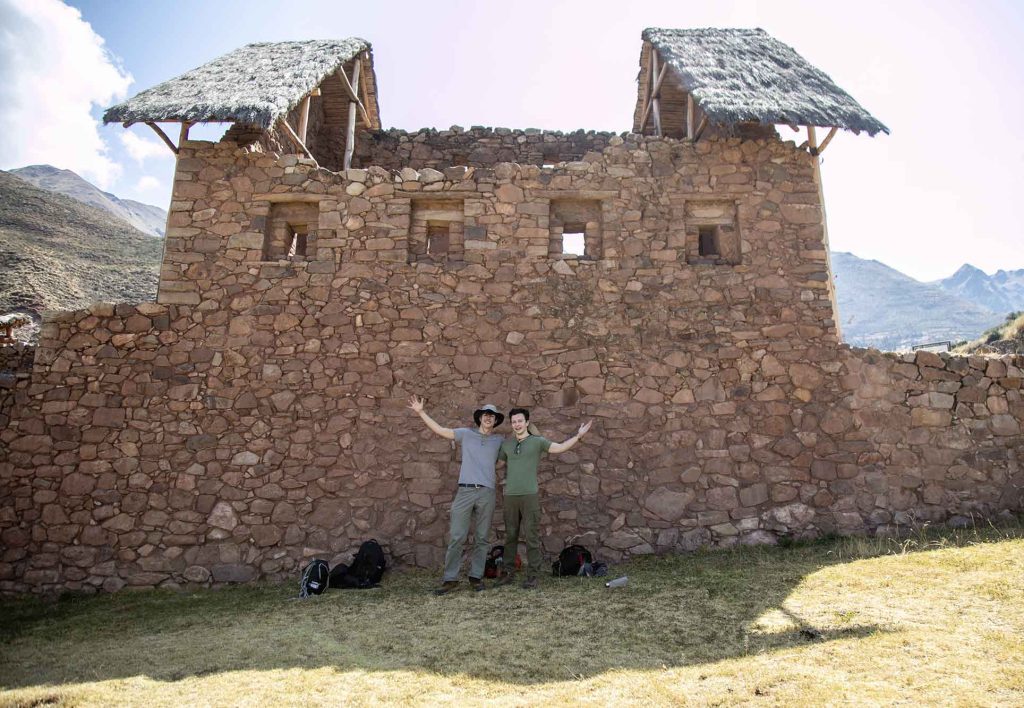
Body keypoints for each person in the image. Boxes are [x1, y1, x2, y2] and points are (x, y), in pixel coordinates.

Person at [408, 395, 505, 595]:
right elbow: (441, 430)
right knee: (457, 536)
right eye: (486, 414)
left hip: (487, 492)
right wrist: (421, 412)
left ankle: (476, 577)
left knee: (482, 538)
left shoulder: (499, 441)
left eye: (492, 415)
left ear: (496, 420)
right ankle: (450, 579)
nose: (488, 417)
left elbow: (502, 461)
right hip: (465, 491)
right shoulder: (466, 434)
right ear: (480, 418)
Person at [496, 408, 592, 589]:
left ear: (526, 422)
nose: (517, 424)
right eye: (514, 421)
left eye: (520, 421)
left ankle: (533, 575)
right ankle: (508, 572)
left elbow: (559, 448)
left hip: (529, 495)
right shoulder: (507, 445)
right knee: (510, 536)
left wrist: (578, 436)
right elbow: (497, 464)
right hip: (510, 496)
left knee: (531, 536)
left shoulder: (537, 441)